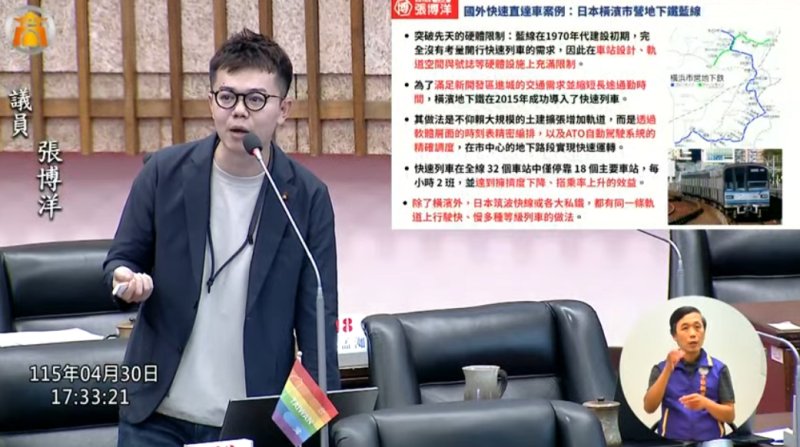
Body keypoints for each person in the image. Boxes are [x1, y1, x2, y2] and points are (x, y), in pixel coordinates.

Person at [103, 28, 341, 446]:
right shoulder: (164, 174)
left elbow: (317, 327)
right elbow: (121, 260)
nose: (239, 112)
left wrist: (302, 434)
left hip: (250, 423)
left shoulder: (306, 198)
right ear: (211, 101)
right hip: (154, 418)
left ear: (284, 109)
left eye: (256, 99)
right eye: (227, 97)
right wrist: (125, 280)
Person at [643, 306, 735, 442]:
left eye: (697, 327)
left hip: (712, 441)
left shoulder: (719, 369)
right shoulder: (661, 369)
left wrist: (706, 403)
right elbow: (649, 408)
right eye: (685, 328)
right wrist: (668, 369)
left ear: (704, 332)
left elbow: (730, 416)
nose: (693, 334)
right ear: (674, 335)